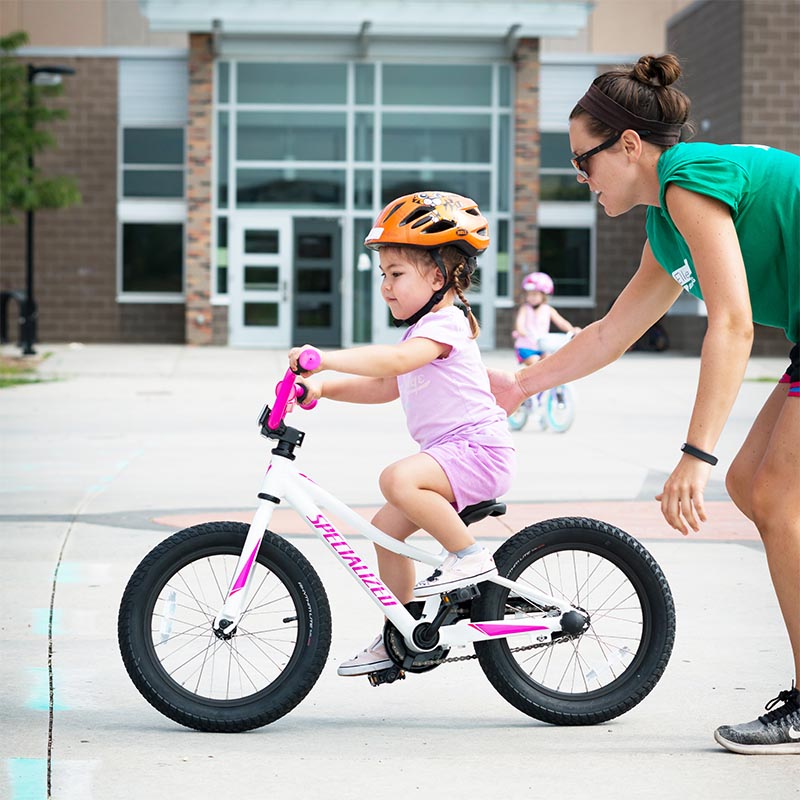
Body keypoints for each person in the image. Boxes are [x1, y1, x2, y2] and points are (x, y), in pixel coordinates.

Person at [489, 53, 799, 755]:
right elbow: (608, 334)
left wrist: (694, 456)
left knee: (775, 491)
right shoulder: (666, 227)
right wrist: (519, 387)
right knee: (756, 486)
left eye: (585, 160)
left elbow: (733, 324)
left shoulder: (688, 180)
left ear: (630, 146)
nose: (580, 177)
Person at [289, 191, 515, 678]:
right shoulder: (421, 333)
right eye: (383, 275)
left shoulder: (446, 326)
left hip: (479, 452)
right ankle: (403, 633)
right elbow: (385, 385)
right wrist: (322, 387)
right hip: (453, 456)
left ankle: (469, 558)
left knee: (397, 479)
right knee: (384, 532)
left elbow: (392, 363)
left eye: (396, 274)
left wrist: (324, 356)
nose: (386, 286)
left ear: (438, 277)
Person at [513, 271, 581, 365]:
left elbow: (561, 322)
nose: (531, 297)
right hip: (526, 346)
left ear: (544, 295)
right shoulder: (525, 309)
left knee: (549, 361)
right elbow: (519, 323)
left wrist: (571, 329)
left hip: (542, 346)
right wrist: (522, 331)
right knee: (534, 362)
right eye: (529, 294)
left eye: (535, 294)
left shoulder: (548, 309)